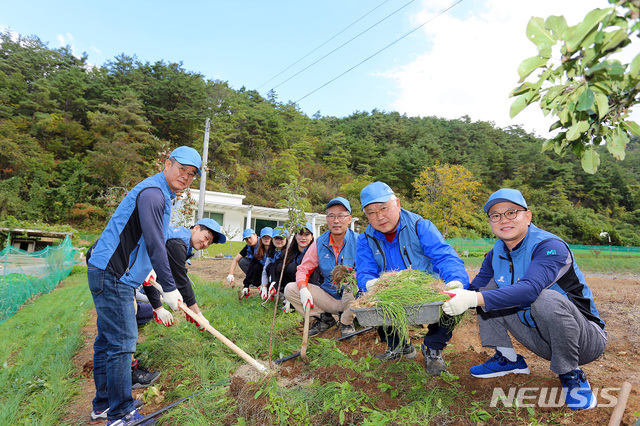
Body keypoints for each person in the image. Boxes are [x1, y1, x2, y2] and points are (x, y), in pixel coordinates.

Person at [442, 188, 606, 410]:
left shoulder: (550, 246)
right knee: (485, 292)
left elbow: (529, 290)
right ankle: (509, 359)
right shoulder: (496, 252)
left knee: (543, 298)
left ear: (527, 217)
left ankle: (570, 373)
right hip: (538, 338)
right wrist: (455, 290)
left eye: (511, 212)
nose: (503, 220)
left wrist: (472, 297)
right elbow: (477, 287)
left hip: (584, 339)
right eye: (496, 215)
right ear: (490, 222)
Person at [87, 146, 201, 425]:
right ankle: (121, 414)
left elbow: (145, 249)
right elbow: (154, 243)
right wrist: (170, 288)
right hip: (113, 276)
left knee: (107, 342)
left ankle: (104, 405)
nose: (185, 177)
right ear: (167, 164)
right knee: (123, 344)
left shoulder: (161, 194)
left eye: (191, 174)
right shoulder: (153, 194)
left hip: (113, 274)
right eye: (181, 169)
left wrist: (161, 294)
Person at [356, 181, 469, 374]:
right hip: (390, 292)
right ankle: (399, 345)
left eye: (384, 208)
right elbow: (365, 271)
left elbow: (444, 256)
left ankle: (433, 348)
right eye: (371, 213)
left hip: (425, 289)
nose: (380, 217)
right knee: (366, 294)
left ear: (397, 204)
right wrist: (374, 284)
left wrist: (456, 281)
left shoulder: (420, 226)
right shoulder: (365, 239)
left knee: (456, 297)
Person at [284, 197, 357, 337]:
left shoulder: (359, 241)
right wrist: (303, 288)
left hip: (351, 298)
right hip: (328, 297)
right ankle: (324, 318)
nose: (336, 220)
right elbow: (303, 269)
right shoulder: (319, 243)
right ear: (327, 219)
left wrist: (351, 277)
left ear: (349, 219)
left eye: (341, 216)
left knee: (354, 283)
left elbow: (366, 271)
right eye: (331, 216)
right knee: (290, 289)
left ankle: (347, 321)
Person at [142, 218, 226, 330]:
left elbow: (154, 276)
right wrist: (198, 314)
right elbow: (181, 280)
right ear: (196, 228)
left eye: (209, 243)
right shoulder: (176, 243)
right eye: (206, 238)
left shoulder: (181, 242)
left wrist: (158, 308)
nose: (205, 244)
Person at [240, 227, 272, 295]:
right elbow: (251, 267)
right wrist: (246, 285)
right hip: (264, 274)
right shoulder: (258, 251)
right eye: (264, 237)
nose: (266, 239)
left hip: (274, 275)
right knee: (256, 266)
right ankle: (260, 286)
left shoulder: (276, 251)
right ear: (261, 239)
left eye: (268, 237)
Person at [260, 227, 288, 301]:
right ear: (272, 240)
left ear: (286, 239)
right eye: (276, 238)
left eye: (281, 238)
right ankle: (275, 291)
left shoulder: (289, 252)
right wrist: (264, 286)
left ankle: (285, 293)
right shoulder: (272, 253)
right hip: (275, 280)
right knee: (270, 266)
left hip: (286, 281)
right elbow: (265, 271)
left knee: (278, 266)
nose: (278, 241)